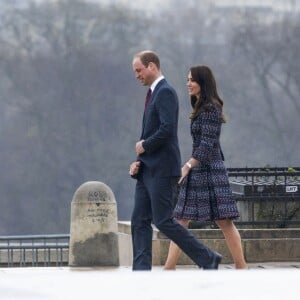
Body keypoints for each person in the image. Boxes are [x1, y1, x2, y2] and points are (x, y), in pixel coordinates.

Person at [129, 50, 222, 271]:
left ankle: (208, 258)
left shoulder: (166, 92)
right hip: (147, 170)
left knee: (163, 221)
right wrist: (138, 161)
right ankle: (140, 271)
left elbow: (166, 130)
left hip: (162, 170)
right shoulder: (153, 93)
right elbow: (150, 131)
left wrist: (144, 145)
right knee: (139, 220)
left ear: (152, 66)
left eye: (139, 70)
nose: (137, 75)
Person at [164, 65, 248, 270]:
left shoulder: (211, 109)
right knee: (181, 219)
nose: (188, 84)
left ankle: (241, 265)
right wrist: (191, 165)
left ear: (203, 82)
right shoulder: (201, 108)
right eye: (187, 79)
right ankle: (169, 266)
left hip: (211, 171)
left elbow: (206, 145)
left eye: (192, 80)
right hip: (198, 170)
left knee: (224, 221)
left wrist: (187, 165)